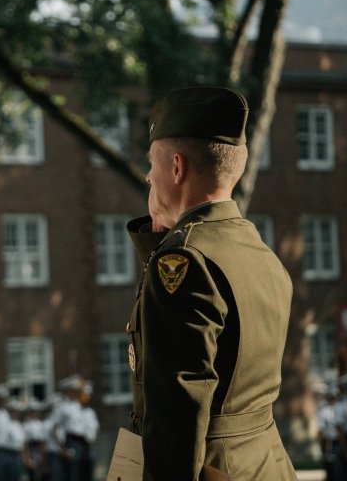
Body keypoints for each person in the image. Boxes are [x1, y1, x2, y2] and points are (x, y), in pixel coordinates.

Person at [125, 86, 297, 480]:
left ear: (177, 167)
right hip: (264, 464)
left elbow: (176, 416)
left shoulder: (184, 260)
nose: (149, 175)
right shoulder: (260, 252)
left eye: (153, 163)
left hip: (213, 469)